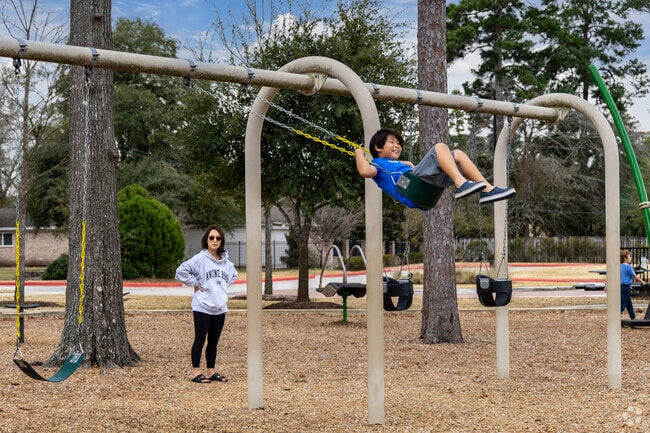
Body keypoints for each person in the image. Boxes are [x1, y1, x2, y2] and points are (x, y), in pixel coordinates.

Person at [354, 128, 516, 209]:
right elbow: (364, 171)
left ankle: (487, 190)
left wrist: (407, 164)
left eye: (398, 144)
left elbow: (397, 167)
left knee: (458, 154)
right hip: (414, 188)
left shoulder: (395, 164)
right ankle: (461, 185)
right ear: (378, 147)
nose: (397, 146)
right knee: (440, 147)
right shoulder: (377, 164)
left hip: (427, 190)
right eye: (392, 142)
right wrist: (358, 153)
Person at [175, 225, 238, 384]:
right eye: (212, 238)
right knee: (200, 339)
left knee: (214, 341)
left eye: (218, 238)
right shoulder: (200, 259)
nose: (215, 240)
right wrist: (194, 283)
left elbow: (233, 276)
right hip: (202, 306)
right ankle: (196, 372)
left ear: (222, 241)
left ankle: (211, 371)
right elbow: (180, 272)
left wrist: (220, 289)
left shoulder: (227, 263)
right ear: (206, 240)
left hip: (220, 307)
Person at [620, 249, 644, 320]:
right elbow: (635, 276)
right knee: (623, 303)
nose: (630, 258)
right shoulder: (628, 267)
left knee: (629, 304)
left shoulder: (619, 266)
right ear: (625, 258)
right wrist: (642, 281)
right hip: (626, 287)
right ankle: (615, 317)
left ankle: (633, 317)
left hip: (621, 286)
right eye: (629, 256)